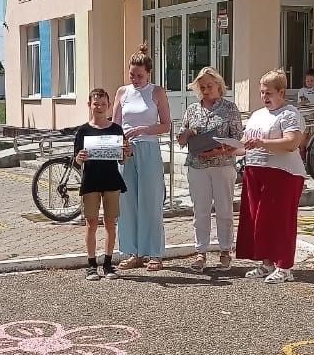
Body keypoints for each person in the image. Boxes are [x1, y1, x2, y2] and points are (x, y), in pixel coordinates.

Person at [236, 69, 306, 284]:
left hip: (282, 174)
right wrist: (228, 148)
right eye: (262, 93)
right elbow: (246, 144)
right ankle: (267, 263)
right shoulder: (258, 115)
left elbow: (292, 142)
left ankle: (284, 266)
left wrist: (263, 143)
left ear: (281, 92)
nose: (264, 97)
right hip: (255, 171)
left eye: (269, 93)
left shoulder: (289, 114)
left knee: (280, 220)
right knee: (259, 219)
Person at [176, 66, 243, 271]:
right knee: (200, 211)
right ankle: (201, 252)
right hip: (197, 166)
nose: (206, 90)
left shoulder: (229, 108)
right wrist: (188, 132)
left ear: (219, 86)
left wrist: (217, 151)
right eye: (202, 87)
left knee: (224, 210)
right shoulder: (192, 109)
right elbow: (180, 140)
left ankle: (225, 250)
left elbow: (238, 140)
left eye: (210, 86)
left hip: (223, 165)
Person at [112, 45, 170, 272]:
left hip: (148, 148)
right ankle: (131, 251)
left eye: (140, 75)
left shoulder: (157, 92)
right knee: (127, 203)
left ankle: (154, 252)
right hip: (126, 151)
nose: (135, 79)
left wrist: (144, 129)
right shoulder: (122, 92)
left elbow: (166, 125)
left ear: (149, 73)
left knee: (151, 200)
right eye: (132, 75)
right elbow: (115, 123)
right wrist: (117, 143)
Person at [73, 88, 127, 280]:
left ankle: (108, 264)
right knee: (91, 223)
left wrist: (125, 153)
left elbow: (122, 159)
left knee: (111, 223)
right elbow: (76, 161)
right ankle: (91, 264)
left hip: (111, 180)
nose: (99, 107)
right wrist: (79, 158)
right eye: (96, 104)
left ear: (109, 106)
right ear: (89, 105)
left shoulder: (116, 130)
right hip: (91, 182)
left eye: (103, 104)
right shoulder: (83, 131)